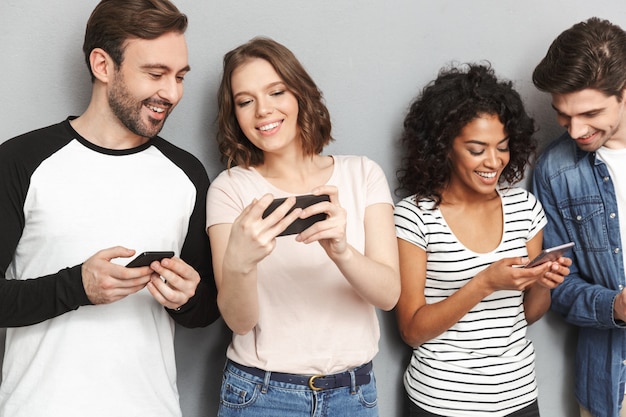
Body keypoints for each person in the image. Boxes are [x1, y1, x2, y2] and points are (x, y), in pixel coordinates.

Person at [0, 0, 219, 416]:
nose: (171, 93)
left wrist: (187, 298)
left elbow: (205, 310)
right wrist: (76, 288)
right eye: (155, 74)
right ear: (103, 65)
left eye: (179, 77)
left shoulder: (187, 173)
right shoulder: (20, 161)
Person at [206, 36, 400, 417]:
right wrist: (241, 262)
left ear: (300, 94)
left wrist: (342, 250)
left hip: (354, 395)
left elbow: (389, 295)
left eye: (276, 92)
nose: (263, 110)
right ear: (235, 115)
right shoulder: (230, 189)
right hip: (261, 394)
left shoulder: (362, 174)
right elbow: (239, 322)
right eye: (245, 101)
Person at [394, 64, 571, 417]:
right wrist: (485, 282)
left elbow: (529, 315)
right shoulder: (415, 216)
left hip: (519, 398)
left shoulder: (524, 207)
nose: (494, 161)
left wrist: (543, 283)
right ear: (444, 147)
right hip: (441, 401)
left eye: (502, 147)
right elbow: (412, 331)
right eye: (477, 149)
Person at [532, 17, 626, 417]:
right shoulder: (555, 169)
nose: (575, 130)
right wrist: (616, 307)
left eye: (590, 113)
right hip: (611, 382)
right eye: (563, 115)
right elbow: (557, 284)